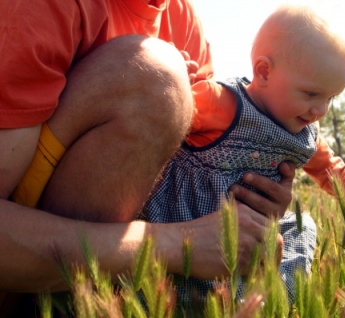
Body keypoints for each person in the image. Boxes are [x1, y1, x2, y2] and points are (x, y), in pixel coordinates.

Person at [0, 0, 295, 314]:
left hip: (111, 270)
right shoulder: (39, 9)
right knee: (154, 74)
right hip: (21, 286)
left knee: (298, 231)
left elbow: (198, 165)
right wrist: (176, 245)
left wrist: (250, 194)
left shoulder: (182, 19)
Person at [142, 4, 345, 303]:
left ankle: (268, 300)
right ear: (264, 71)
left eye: (331, 98)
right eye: (311, 94)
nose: (320, 111)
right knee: (171, 284)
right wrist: (175, 84)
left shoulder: (304, 134)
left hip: (250, 232)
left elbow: (333, 170)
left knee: (301, 228)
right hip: (188, 220)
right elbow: (159, 119)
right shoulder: (220, 102)